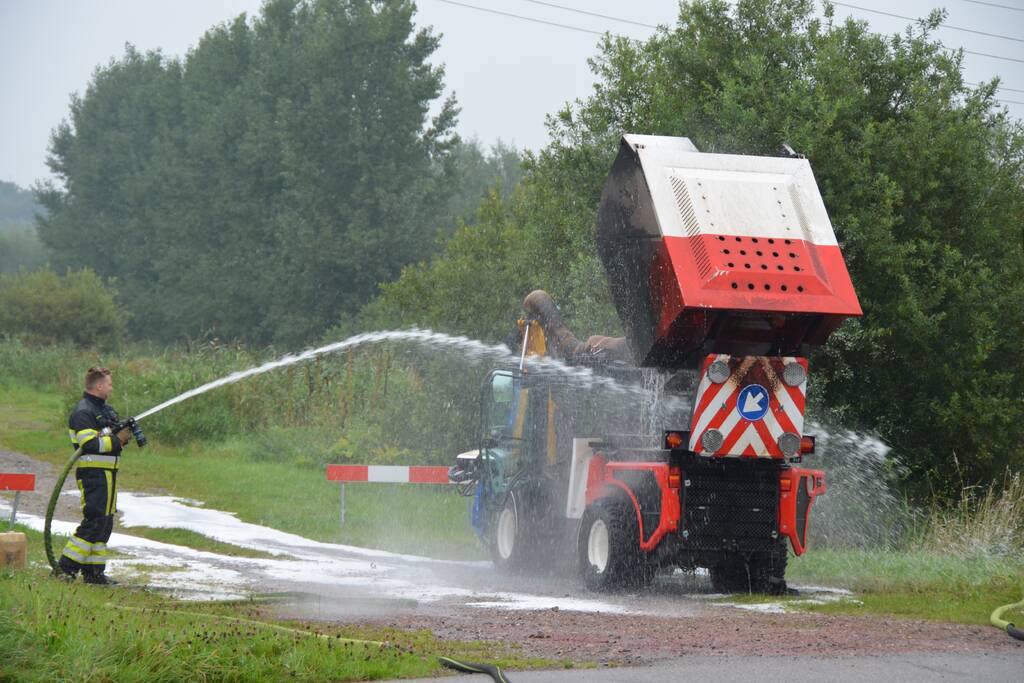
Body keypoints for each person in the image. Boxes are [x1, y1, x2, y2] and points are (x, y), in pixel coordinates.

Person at [57, 367, 131, 585]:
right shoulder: (83, 412)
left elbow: (108, 437)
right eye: (109, 383)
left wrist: (124, 431)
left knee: (105, 522)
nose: (111, 386)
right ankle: (65, 568)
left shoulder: (105, 410)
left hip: (108, 473)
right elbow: (89, 444)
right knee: (95, 520)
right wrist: (118, 440)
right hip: (93, 474)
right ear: (99, 386)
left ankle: (94, 573)